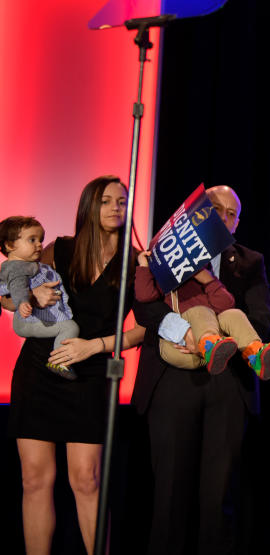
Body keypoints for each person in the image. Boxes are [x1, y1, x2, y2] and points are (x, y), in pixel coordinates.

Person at [2, 175, 144, 555]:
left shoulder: (136, 263)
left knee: (86, 480)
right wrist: (27, 296)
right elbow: (9, 295)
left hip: (89, 373)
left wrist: (93, 347)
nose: (116, 206)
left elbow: (143, 331)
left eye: (122, 200)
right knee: (34, 479)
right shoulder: (59, 250)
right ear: (88, 207)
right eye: (106, 200)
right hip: (38, 369)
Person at [132, 184, 270, 555]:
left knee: (219, 495)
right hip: (172, 378)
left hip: (228, 382)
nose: (221, 217)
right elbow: (145, 308)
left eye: (230, 213)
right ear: (196, 213)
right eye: (214, 208)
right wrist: (187, 334)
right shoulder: (163, 253)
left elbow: (261, 317)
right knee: (170, 494)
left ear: (236, 223)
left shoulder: (249, 261)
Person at [134, 249, 270, 379]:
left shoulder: (201, 278)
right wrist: (144, 267)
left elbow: (226, 305)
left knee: (234, 314)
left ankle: (254, 354)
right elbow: (144, 296)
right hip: (177, 347)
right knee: (200, 311)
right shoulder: (163, 279)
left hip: (212, 353)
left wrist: (207, 279)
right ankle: (208, 345)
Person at [0, 216, 80, 379]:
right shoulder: (16, 267)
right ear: (9, 245)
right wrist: (24, 300)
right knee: (69, 328)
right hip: (27, 322)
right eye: (32, 240)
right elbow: (17, 286)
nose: (39, 244)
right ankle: (59, 362)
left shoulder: (33, 265)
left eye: (40, 240)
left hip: (35, 318)